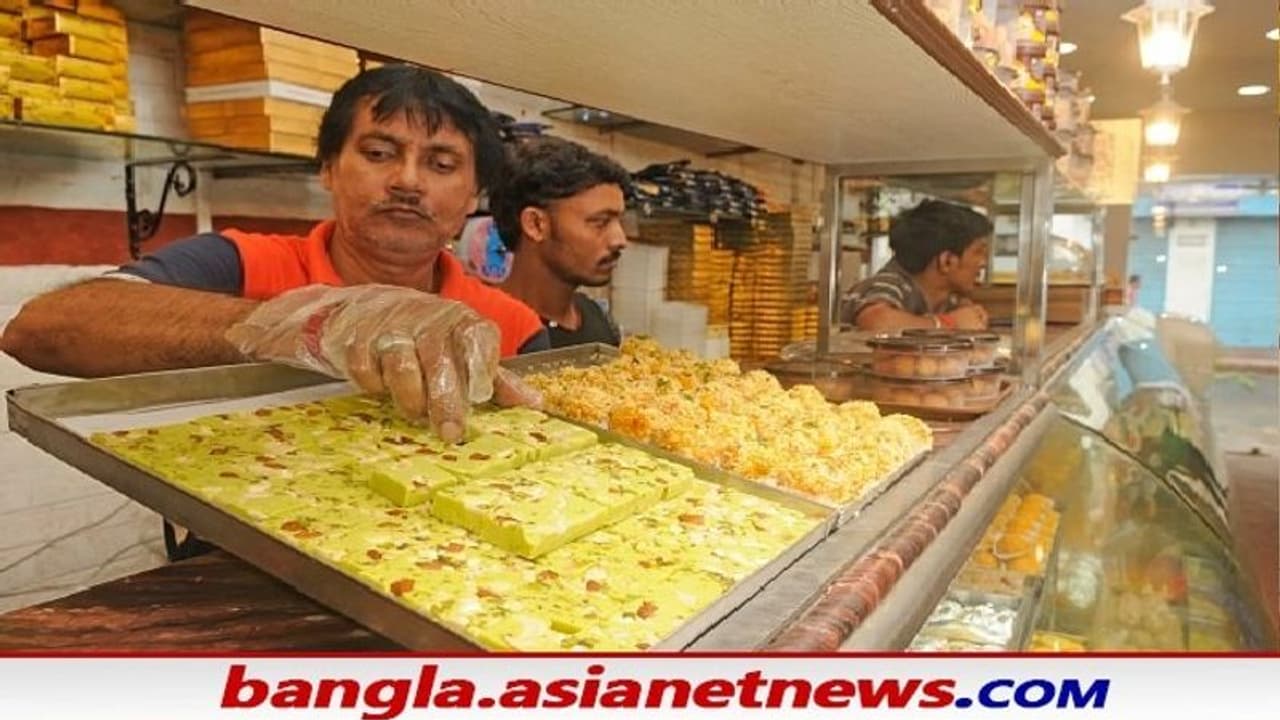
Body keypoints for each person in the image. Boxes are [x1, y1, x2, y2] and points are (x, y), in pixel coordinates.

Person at [0, 65, 547, 442]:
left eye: (442, 164)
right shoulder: (238, 264)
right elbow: (39, 330)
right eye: (379, 153)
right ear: (328, 169)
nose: (407, 180)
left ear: (476, 194)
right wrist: (306, 326)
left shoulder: (513, 327)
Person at [491, 137, 629, 347]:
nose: (620, 240)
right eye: (600, 222)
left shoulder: (597, 320)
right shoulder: (484, 330)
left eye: (619, 222)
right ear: (536, 224)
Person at [840, 199, 992, 332]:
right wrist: (950, 323)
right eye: (978, 252)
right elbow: (876, 322)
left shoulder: (948, 299)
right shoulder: (889, 284)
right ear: (946, 261)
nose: (983, 263)